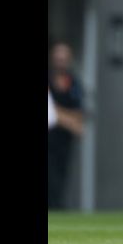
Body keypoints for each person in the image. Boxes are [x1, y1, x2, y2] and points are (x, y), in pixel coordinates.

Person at [48, 42, 86, 209]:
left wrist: (55, 112)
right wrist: (66, 118)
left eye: (64, 59)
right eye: (58, 58)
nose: (60, 62)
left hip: (63, 143)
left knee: (60, 180)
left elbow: (78, 120)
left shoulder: (74, 84)